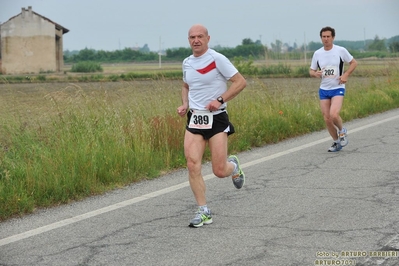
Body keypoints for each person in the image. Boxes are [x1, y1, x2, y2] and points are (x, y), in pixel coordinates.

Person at [176, 24, 247, 228]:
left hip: (216, 118)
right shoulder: (187, 62)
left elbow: (240, 82)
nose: (196, 40)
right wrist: (185, 104)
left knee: (219, 170)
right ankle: (203, 210)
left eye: (200, 36)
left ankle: (233, 166)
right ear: (188, 40)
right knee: (192, 164)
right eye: (192, 37)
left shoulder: (217, 59)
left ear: (208, 38)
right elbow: (186, 86)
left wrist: (220, 99)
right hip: (195, 118)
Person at [309, 26, 357, 152]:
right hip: (324, 89)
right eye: (323, 37)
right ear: (321, 38)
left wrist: (346, 74)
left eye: (328, 36)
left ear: (333, 37)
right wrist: (315, 74)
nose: (326, 39)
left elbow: (354, 63)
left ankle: (342, 131)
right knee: (327, 119)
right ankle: (336, 142)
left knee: (334, 114)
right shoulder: (317, 53)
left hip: (337, 87)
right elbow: (311, 71)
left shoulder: (340, 50)